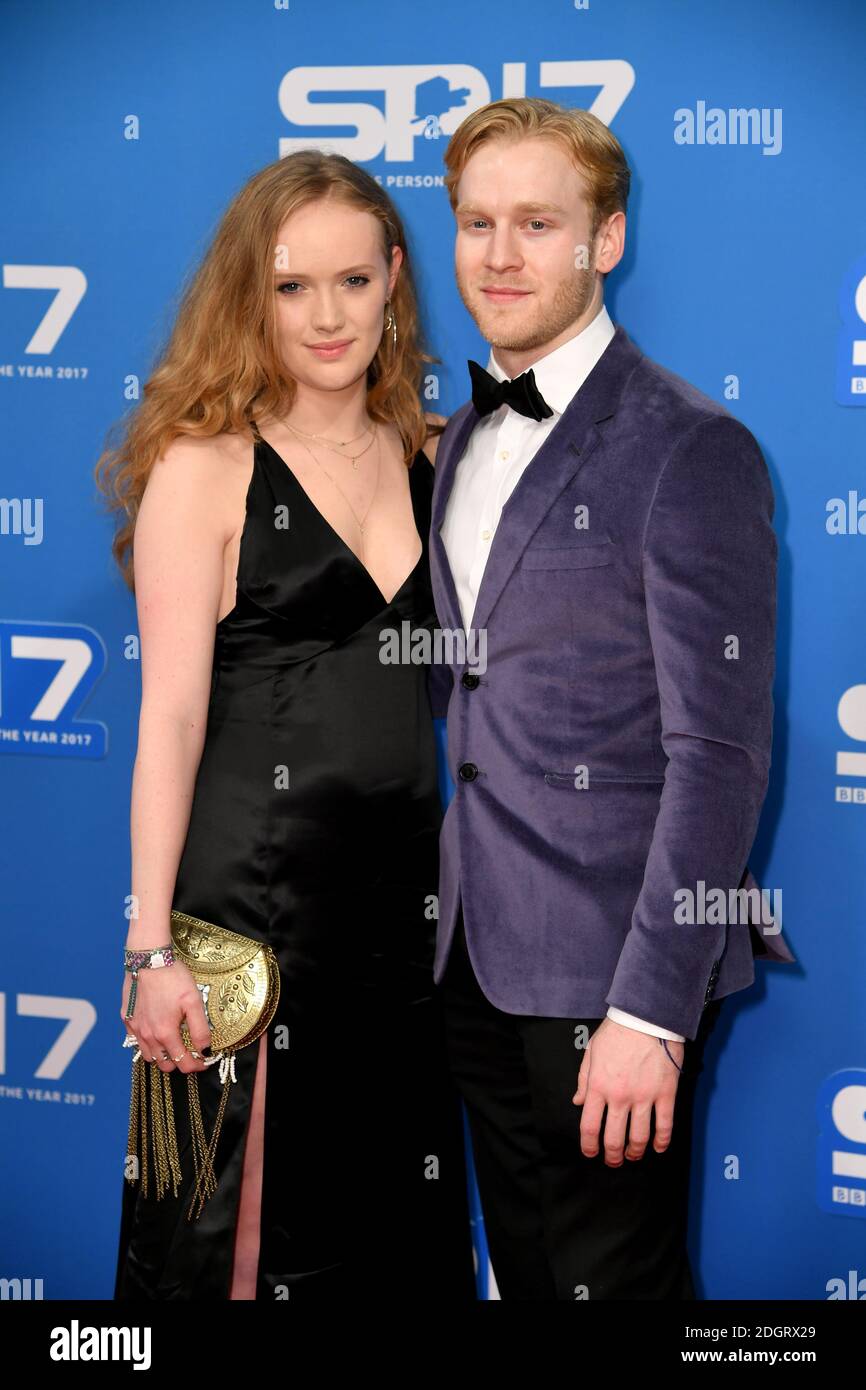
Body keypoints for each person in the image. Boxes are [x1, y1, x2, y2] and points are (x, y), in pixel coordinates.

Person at [427, 97, 795, 1299]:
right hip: (474, 957)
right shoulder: (453, 441)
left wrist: (651, 1011)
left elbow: (720, 754)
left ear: (607, 238)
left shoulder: (689, 447)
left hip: (611, 978)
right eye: (476, 223)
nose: (498, 255)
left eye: (537, 222)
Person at [97, 149, 476, 1301]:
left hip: (401, 911)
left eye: (353, 282)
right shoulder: (203, 470)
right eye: (291, 286)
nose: (326, 316)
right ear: (247, 297)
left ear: (394, 281)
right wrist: (151, 944)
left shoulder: (430, 456)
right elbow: (166, 714)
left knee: (384, 1224)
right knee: (233, 1233)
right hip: (253, 913)